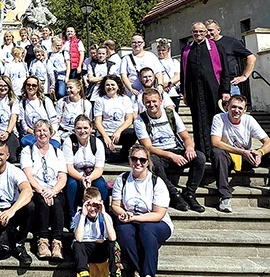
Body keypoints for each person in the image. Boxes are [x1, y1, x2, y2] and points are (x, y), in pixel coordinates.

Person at [135, 89, 206, 213]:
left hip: (176, 149)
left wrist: (189, 148)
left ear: (161, 101)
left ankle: (190, 193)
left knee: (199, 157)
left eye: (154, 101)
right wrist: (171, 155)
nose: (151, 105)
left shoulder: (171, 114)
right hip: (159, 153)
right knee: (153, 161)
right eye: (147, 102)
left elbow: (186, 137)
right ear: (143, 103)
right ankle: (174, 195)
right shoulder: (140, 120)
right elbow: (148, 147)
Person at [111, 144, 173, 277]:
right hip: (131, 220)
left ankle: (149, 273)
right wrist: (123, 213)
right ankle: (137, 269)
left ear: (147, 162)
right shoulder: (122, 179)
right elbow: (115, 205)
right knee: (123, 230)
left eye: (142, 160)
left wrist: (134, 218)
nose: (138, 163)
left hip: (157, 222)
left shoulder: (157, 182)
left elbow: (158, 214)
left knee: (147, 229)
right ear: (130, 160)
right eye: (134, 159)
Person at [210, 95, 270, 213]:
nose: (236, 110)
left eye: (240, 108)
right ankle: (225, 196)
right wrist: (242, 152)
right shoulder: (219, 118)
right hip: (229, 157)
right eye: (233, 107)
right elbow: (215, 142)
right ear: (227, 106)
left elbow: (267, 141)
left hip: (247, 157)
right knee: (216, 153)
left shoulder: (249, 120)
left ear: (245, 110)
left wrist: (259, 152)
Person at [180, 22, 230, 155]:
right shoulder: (186, 50)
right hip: (194, 91)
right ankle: (201, 151)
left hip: (212, 90)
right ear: (192, 33)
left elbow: (225, 70)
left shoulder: (216, 47)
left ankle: (215, 151)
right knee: (197, 121)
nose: (198, 34)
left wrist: (225, 90)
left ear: (205, 32)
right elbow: (183, 72)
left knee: (214, 119)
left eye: (201, 32)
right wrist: (184, 92)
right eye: (195, 32)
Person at [20, 120, 67, 260]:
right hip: (36, 190)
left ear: (50, 133)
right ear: (34, 134)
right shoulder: (27, 151)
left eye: (45, 130)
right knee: (42, 201)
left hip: (55, 190)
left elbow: (62, 177)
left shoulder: (58, 152)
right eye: (39, 131)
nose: (42, 133)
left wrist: (53, 190)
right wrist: (42, 190)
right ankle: (42, 241)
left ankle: (57, 243)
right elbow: (28, 175)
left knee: (57, 202)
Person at [63, 115, 107, 221]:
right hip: (75, 173)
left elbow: (99, 168)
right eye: (79, 128)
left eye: (85, 128)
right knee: (71, 184)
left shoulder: (97, 143)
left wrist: (90, 178)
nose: (82, 131)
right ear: (74, 129)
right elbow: (68, 167)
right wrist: (81, 178)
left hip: (92, 173)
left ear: (91, 128)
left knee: (101, 185)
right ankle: (72, 216)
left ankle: (101, 215)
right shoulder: (68, 142)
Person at [72, 187, 120, 277]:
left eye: (95, 205)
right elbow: (78, 238)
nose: (92, 209)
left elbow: (113, 238)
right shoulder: (79, 216)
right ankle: (83, 272)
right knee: (77, 244)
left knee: (114, 244)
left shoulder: (105, 217)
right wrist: (83, 215)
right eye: (89, 205)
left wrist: (104, 214)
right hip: (85, 251)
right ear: (83, 203)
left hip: (99, 248)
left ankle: (115, 272)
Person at [205, 19, 256, 96]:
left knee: (233, 107)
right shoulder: (203, 45)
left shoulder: (231, 42)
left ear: (218, 30)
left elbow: (251, 57)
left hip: (230, 85)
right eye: (206, 31)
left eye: (211, 30)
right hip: (210, 85)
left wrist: (244, 76)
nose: (208, 33)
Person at [93, 75, 136, 162]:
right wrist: (106, 137)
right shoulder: (100, 100)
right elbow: (97, 122)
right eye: (107, 85)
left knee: (134, 133)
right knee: (106, 155)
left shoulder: (125, 99)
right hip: (105, 133)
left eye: (113, 85)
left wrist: (118, 131)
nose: (110, 87)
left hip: (120, 133)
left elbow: (129, 119)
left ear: (118, 86)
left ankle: (125, 151)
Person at [120, 34, 164, 99]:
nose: (136, 44)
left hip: (150, 93)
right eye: (134, 42)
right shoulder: (126, 59)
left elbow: (159, 72)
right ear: (131, 44)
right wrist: (131, 89)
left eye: (139, 42)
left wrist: (160, 85)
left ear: (143, 43)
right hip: (134, 94)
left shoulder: (151, 56)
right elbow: (123, 75)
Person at [18, 76, 58, 147]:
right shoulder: (22, 103)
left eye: (34, 85)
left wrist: (49, 134)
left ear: (38, 87)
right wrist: (35, 133)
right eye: (28, 85)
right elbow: (24, 124)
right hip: (32, 135)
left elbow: (54, 121)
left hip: (48, 134)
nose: (30, 87)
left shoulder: (45, 101)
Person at [156, 38, 181, 110]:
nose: (161, 52)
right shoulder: (155, 62)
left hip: (173, 92)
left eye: (163, 50)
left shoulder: (174, 62)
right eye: (159, 50)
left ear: (168, 51)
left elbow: (178, 75)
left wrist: (168, 83)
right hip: (160, 92)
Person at [47, 37, 70, 101]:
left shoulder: (64, 53)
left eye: (60, 45)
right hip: (53, 76)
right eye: (57, 45)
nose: (59, 47)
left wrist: (67, 76)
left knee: (61, 93)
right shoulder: (51, 54)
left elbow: (68, 65)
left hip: (62, 76)